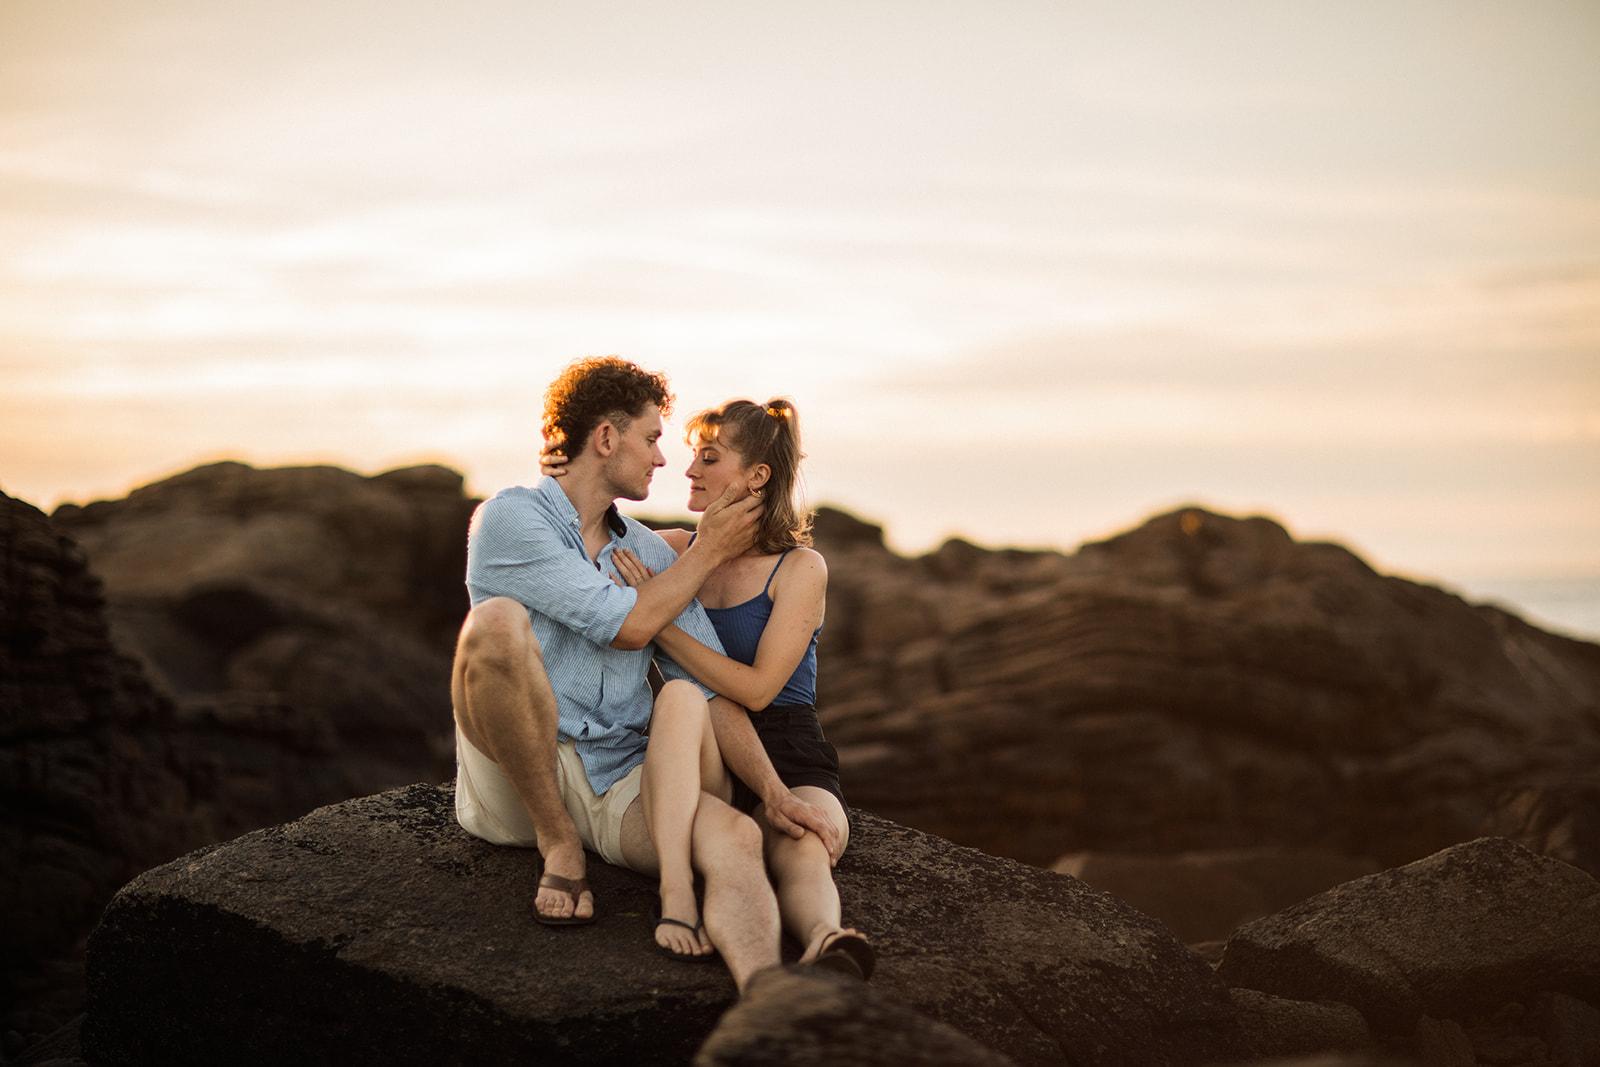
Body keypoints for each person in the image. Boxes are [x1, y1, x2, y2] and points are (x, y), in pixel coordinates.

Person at [450, 357, 838, 991]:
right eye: (653, 438)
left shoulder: (653, 553)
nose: (665, 460)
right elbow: (625, 625)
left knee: (737, 838)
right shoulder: (511, 519)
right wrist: (708, 549)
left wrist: (773, 793)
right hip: (518, 781)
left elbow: (713, 694)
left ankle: (767, 996)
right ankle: (559, 845)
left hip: (618, 779)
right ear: (606, 438)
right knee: (494, 623)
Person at [545, 397, 874, 980]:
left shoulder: (799, 569)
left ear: (757, 477)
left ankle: (829, 942)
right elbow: (580, 538)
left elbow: (758, 690)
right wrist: (564, 462)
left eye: (709, 457)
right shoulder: (669, 549)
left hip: (786, 746)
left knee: (802, 843)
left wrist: (660, 624)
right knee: (732, 842)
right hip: (697, 747)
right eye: (693, 456)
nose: (688, 470)